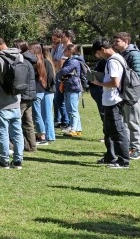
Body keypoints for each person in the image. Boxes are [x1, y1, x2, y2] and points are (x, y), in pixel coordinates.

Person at [89, 38, 131, 168]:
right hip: (109, 100)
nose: (98, 56)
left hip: (114, 100)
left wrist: (98, 83)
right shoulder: (114, 59)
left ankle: (123, 160)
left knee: (118, 131)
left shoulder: (113, 61)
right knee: (108, 131)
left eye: (98, 53)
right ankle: (110, 156)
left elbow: (115, 83)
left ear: (102, 49)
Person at [0, 36, 24, 169]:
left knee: (2, 132)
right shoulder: (20, 56)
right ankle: (18, 161)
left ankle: (4, 161)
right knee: (17, 132)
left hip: (1, 101)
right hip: (16, 99)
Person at [112, 32, 140, 160]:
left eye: (117, 41)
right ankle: (128, 147)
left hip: (132, 93)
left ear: (126, 41)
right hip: (123, 92)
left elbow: (137, 75)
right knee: (125, 122)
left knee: (133, 121)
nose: (115, 43)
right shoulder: (120, 55)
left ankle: (136, 149)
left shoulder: (134, 54)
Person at [29, 43, 56, 145]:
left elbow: (50, 79)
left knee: (47, 114)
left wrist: (46, 88)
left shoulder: (46, 62)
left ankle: (48, 136)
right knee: (44, 114)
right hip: (45, 90)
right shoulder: (42, 62)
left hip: (47, 91)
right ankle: (47, 135)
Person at [15, 40, 39, 152]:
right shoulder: (30, 60)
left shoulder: (22, 61)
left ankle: (16, 145)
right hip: (30, 95)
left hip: (23, 96)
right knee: (28, 123)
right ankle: (31, 146)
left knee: (15, 121)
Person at [57, 43, 84, 138]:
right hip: (69, 87)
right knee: (71, 109)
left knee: (72, 109)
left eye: (65, 50)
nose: (64, 52)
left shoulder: (74, 61)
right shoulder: (70, 60)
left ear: (70, 51)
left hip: (73, 88)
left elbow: (64, 71)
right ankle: (78, 129)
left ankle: (73, 129)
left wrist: (57, 74)